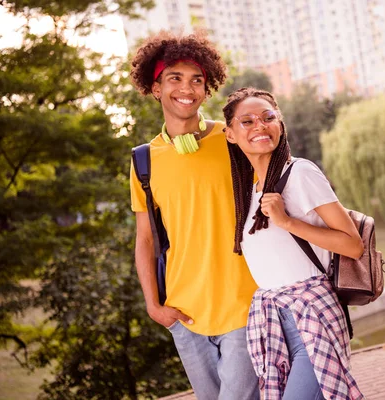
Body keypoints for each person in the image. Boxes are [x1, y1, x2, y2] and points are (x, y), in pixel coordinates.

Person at [129, 32, 259, 400]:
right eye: (175, 78)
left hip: (243, 306)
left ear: (206, 89)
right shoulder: (143, 161)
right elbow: (146, 238)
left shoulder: (233, 139)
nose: (186, 88)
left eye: (196, 80)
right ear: (156, 88)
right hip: (184, 315)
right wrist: (154, 306)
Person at [223, 87, 365, 400]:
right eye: (246, 122)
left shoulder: (299, 173)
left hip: (312, 313)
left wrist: (288, 222)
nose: (260, 125)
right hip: (272, 319)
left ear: (280, 124)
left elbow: (353, 245)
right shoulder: (247, 192)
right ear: (230, 134)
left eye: (268, 117)